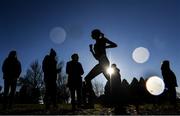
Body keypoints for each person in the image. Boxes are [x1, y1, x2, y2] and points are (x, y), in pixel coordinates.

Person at [84, 29, 117, 107]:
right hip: (101, 62)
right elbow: (97, 58)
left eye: (92, 34)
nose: (91, 35)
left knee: (87, 78)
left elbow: (115, 45)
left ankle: (91, 102)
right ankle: (117, 98)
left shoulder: (103, 40)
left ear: (96, 35)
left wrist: (106, 46)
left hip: (104, 62)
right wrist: (91, 51)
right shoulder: (95, 45)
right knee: (110, 80)